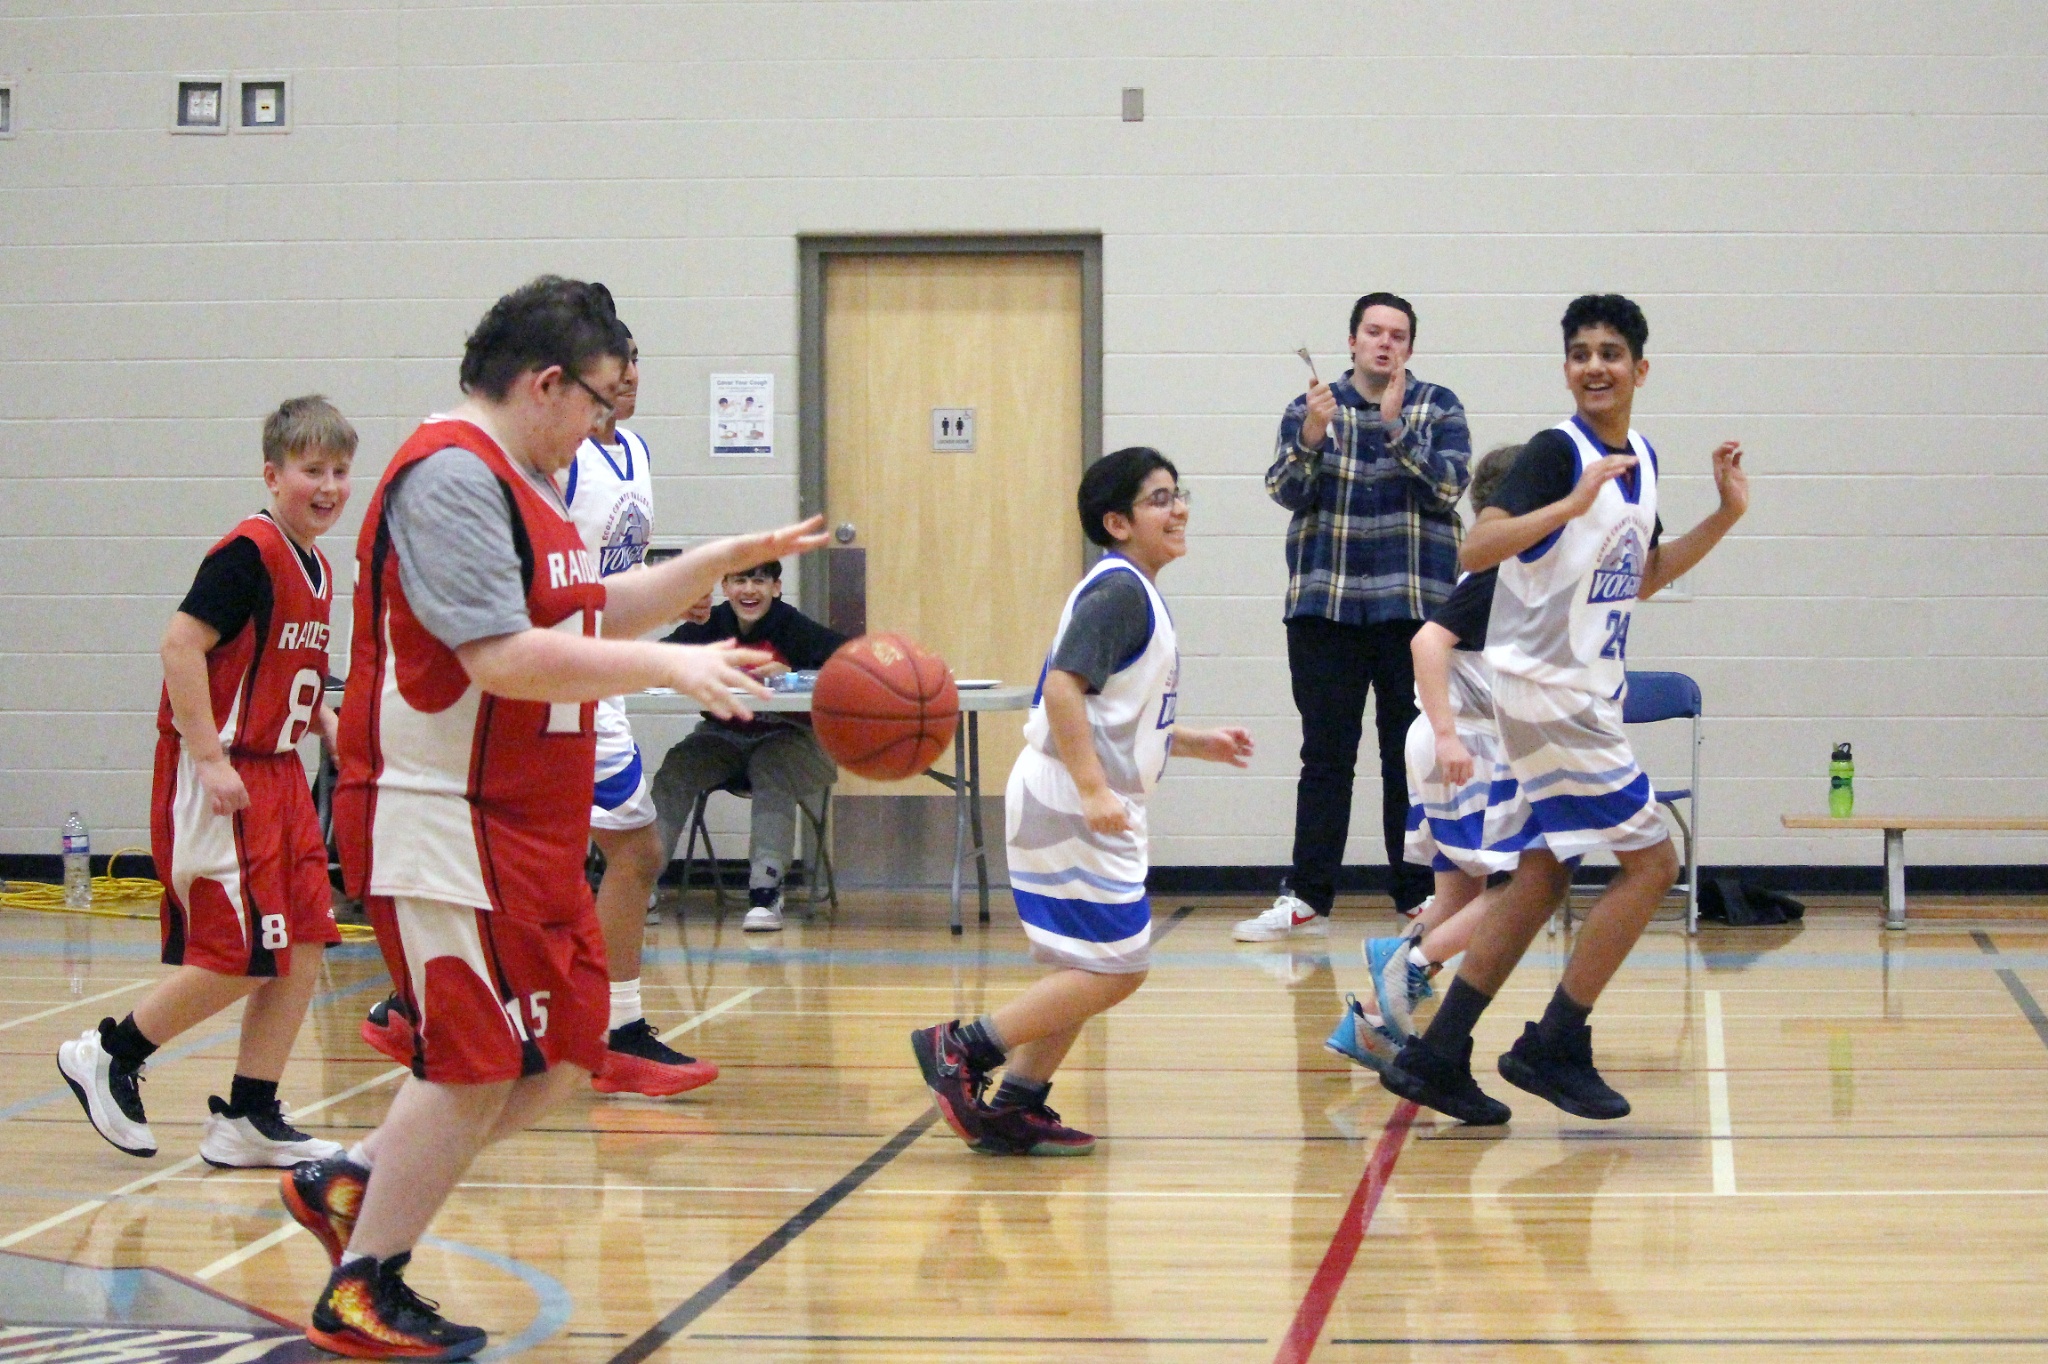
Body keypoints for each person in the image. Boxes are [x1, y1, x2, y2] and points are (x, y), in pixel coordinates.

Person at [278, 275, 826, 1359]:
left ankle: (356, 1177)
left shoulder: (534, 485)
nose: (603, 424)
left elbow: (583, 610)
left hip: (522, 816)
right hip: (440, 811)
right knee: (477, 1058)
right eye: (597, 404)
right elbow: (502, 656)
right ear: (544, 384)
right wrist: (674, 666)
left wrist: (709, 569)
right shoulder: (448, 476)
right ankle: (364, 1279)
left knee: (566, 1051)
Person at [1380, 293, 1749, 1126]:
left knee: (1541, 874)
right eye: (1580, 352)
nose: (1594, 365)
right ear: (1566, 368)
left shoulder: (1643, 460)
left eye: (1610, 353)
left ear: (1640, 370)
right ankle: (1556, 1041)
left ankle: (1439, 1053)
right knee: (1653, 864)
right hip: (1547, 697)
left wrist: (1724, 515)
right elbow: (1477, 548)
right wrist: (1569, 504)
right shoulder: (1556, 453)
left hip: (1574, 697)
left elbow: (1644, 578)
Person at [357, 310, 715, 1098]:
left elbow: (592, 571)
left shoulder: (633, 453)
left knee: (595, 872)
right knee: (633, 852)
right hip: (546, 683)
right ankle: (598, 1026)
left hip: (589, 671)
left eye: (632, 360)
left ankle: (441, 1011)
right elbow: (523, 592)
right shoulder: (517, 463)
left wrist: (672, 592)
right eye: (612, 365)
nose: (627, 377)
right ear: (560, 379)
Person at [911, 447, 1255, 1156]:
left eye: (1177, 492)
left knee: (1088, 963)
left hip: (1079, 794)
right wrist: (1095, 789)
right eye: (1160, 498)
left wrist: (1193, 741)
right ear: (1117, 521)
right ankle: (963, 1047)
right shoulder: (1120, 590)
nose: (1179, 507)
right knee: (1116, 966)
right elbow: (1064, 688)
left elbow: (1112, 712)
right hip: (1071, 798)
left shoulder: (1134, 589)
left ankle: (1015, 1106)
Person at [57, 397, 355, 1169]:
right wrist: (209, 756)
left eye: (340, 471)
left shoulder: (315, 563)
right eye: (310, 470)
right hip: (224, 773)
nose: (327, 486)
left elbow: (278, 661)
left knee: (304, 946)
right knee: (240, 953)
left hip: (279, 772)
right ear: (272, 474)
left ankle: (248, 1113)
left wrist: (320, 717)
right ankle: (110, 1052)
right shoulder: (248, 552)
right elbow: (181, 646)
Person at [1238, 293, 1471, 943]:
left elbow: (1449, 489)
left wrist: (1396, 429)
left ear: (1410, 349)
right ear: (1352, 341)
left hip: (1414, 612)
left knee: (1411, 757)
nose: (1384, 343)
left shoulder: (1439, 406)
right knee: (1326, 756)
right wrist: (1312, 438)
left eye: (1397, 335)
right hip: (1326, 607)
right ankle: (1308, 897)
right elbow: (1285, 492)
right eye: (1373, 331)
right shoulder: (1309, 408)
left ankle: (1418, 894)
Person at [1324, 445, 1542, 1069]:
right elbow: (1427, 642)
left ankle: (1366, 1026)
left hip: (1457, 739)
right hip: (1465, 743)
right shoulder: (1501, 567)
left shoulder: (1509, 566)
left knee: (1453, 900)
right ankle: (1408, 967)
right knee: (1520, 885)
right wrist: (1449, 736)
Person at [650, 559, 846, 933]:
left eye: (759, 580)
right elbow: (660, 660)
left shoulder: (794, 628)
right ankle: (641, 883)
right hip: (723, 737)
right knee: (678, 767)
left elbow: (853, 665)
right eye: (740, 580)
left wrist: (792, 677)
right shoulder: (709, 627)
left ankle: (766, 889)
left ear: (776, 587)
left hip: (792, 739)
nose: (749, 590)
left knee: (771, 766)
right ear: (725, 587)